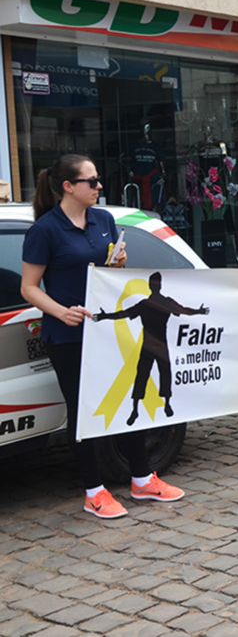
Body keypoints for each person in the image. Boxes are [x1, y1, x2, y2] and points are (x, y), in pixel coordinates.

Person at [21, 154, 184, 519]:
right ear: (68, 186)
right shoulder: (45, 230)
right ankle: (94, 491)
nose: (98, 187)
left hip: (106, 332)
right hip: (68, 336)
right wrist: (60, 311)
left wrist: (118, 265)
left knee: (127, 400)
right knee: (85, 412)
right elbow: (29, 288)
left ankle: (142, 479)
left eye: (97, 181)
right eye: (91, 181)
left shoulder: (104, 219)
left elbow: (105, 273)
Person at [93, 272, 210, 426]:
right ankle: (157, 406)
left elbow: (124, 314)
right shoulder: (158, 303)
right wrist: (199, 311)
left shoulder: (146, 304)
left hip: (150, 344)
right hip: (157, 344)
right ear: (158, 285)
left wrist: (104, 316)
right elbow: (183, 310)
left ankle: (140, 408)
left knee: (145, 374)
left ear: (151, 286)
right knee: (159, 373)